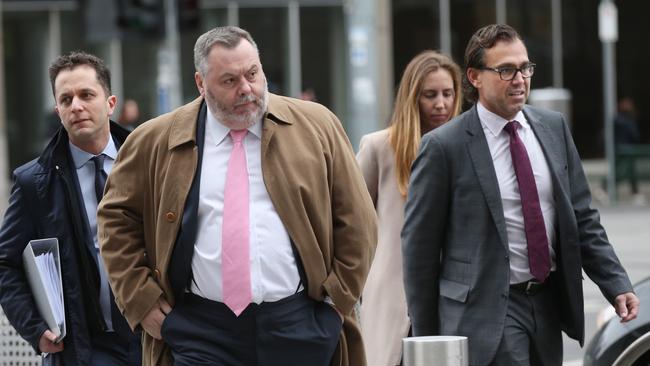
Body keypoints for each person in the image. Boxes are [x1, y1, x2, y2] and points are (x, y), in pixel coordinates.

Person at [97, 26, 376, 366]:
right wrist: (140, 300)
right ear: (201, 84)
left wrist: (336, 302)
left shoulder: (317, 126)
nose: (247, 89)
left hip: (300, 323)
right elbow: (115, 219)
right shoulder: (154, 140)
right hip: (201, 331)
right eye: (229, 81)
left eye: (253, 74)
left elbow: (357, 220)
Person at [401, 24, 639, 366]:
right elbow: (419, 250)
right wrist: (428, 341)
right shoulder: (444, 147)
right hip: (484, 313)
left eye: (525, 67)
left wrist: (616, 283)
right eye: (506, 70)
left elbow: (582, 218)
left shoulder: (552, 128)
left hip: (546, 304)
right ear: (475, 77)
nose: (520, 78)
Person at [0, 52, 141, 365]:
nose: (76, 106)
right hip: (85, 349)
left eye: (86, 95)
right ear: (58, 111)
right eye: (66, 99)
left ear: (110, 103)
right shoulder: (34, 183)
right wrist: (35, 328)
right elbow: (5, 264)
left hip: (153, 339)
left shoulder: (147, 163)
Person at [356, 50, 462, 366]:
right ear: (411, 98)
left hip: (454, 293)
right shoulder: (379, 147)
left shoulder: (468, 148)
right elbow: (353, 222)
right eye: (430, 95)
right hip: (393, 295)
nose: (441, 104)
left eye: (448, 93)